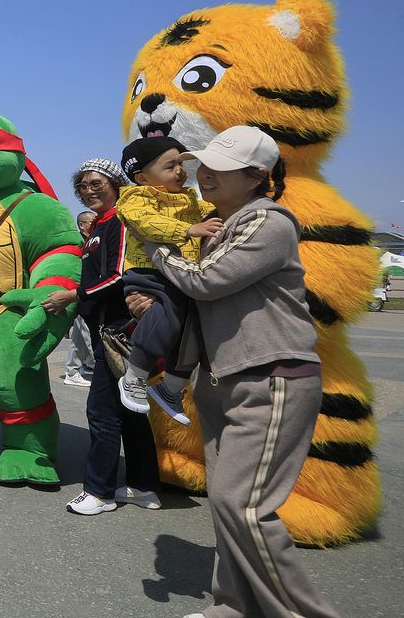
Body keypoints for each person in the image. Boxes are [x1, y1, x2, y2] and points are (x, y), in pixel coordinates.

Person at [129, 126, 341, 618]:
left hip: (271, 376)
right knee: (228, 505)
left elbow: (207, 281)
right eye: (203, 164)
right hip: (222, 378)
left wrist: (155, 248)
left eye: (220, 169)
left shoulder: (267, 221)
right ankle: (234, 605)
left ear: (256, 176)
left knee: (244, 505)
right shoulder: (218, 224)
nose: (205, 174)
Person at [41, 158, 160, 515]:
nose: (88, 191)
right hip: (106, 326)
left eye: (97, 183)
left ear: (115, 183)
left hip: (116, 328)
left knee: (102, 410)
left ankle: (99, 491)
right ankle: (142, 487)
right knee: (129, 409)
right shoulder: (100, 223)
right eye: (82, 186)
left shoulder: (119, 220)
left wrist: (73, 295)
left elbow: (119, 276)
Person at [114, 136, 219, 424]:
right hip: (149, 273)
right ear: (141, 177)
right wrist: (188, 230)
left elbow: (213, 211)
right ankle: (134, 375)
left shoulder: (189, 197)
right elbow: (146, 222)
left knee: (192, 328)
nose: (180, 171)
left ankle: (171, 388)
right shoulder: (137, 197)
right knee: (168, 316)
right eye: (170, 166)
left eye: (181, 164)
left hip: (180, 273)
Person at [61, 210, 97, 387]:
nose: (95, 223)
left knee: (80, 334)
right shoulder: (78, 243)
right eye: (91, 221)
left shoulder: (92, 240)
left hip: (86, 292)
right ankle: (74, 370)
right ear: (82, 225)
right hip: (80, 293)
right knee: (84, 333)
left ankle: (78, 367)